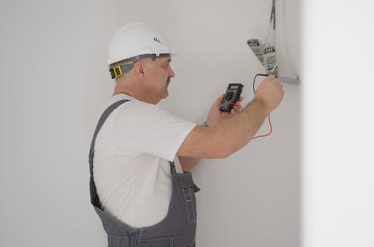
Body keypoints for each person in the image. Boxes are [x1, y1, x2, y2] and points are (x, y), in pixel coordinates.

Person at [88, 23, 283, 247]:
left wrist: (211, 125)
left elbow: (179, 164)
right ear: (140, 69)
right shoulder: (132, 116)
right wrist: (263, 102)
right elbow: (223, 145)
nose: (172, 73)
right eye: (165, 65)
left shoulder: (126, 117)